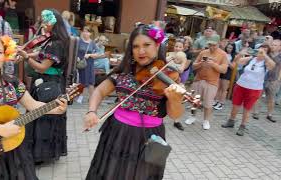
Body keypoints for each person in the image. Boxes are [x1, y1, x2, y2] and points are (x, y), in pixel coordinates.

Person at [0, 31, 67, 179]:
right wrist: (1, 129)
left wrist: (56, 109)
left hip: (13, 151)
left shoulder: (12, 82)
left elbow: (33, 105)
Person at [84, 24, 184, 179]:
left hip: (151, 137)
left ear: (157, 45)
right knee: (111, 173)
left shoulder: (169, 75)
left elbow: (175, 114)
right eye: (135, 46)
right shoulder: (125, 71)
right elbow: (100, 91)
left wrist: (174, 99)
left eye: (147, 45)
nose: (141, 51)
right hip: (118, 133)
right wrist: (91, 111)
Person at [18, 9, 70, 163]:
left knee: (44, 114)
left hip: (49, 82)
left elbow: (42, 67)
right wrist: (27, 52)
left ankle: (42, 154)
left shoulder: (56, 44)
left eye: (45, 22)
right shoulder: (51, 40)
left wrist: (26, 57)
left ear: (52, 23)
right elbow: (40, 54)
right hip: (47, 81)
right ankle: (39, 152)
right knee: (39, 113)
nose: (43, 25)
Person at [222, 44, 275, 136]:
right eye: (260, 49)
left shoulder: (266, 63)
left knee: (247, 108)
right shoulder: (251, 59)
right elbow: (237, 62)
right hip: (241, 85)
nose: (261, 52)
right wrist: (240, 53)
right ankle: (231, 121)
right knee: (235, 105)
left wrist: (265, 55)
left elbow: (272, 65)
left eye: (264, 50)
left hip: (254, 89)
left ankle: (242, 126)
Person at [185, 37, 228, 130]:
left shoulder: (223, 54)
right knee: (194, 101)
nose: (211, 47)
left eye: (214, 45)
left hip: (212, 82)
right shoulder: (203, 52)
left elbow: (224, 70)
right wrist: (200, 63)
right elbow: (193, 66)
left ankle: (206, 121)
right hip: (198, 80)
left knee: (208, 104)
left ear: (219, 43)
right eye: (210, 45)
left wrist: (213, 64)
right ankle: (192, 117)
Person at [252, 40, 281, 122]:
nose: (273, 46)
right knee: (258, 96)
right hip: (262, 78)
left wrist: (278, 80)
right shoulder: (266, 53)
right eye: (272, 44)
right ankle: (256, 112)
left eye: (275, 45)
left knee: (271, 98)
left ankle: (269, 114)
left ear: (280, 47)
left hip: (273, 80)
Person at [77, 26, 100, 103]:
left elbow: (98, 53)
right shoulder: (79, 41)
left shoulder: (92, 43)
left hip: (89, 64)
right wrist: (77, 57)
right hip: (81, 64)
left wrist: (90, 55)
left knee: (91, 81)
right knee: (81, 81)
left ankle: (92, 98)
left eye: (87, 32)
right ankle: (80, 96)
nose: (85, 33)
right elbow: (75, 50)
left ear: (90, 33)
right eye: (84, 31)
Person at [213, 43, 236, 110]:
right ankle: (216, 100)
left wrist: (227, 61)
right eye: (228, 47)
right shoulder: (223, 53)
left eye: (231, 48)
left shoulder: (234, 56)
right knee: (218, 87)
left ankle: (221, 103)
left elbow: (233, 67)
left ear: (233, 49)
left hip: (227, 72)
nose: (229, 49)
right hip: (221, 71)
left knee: (224, 89)